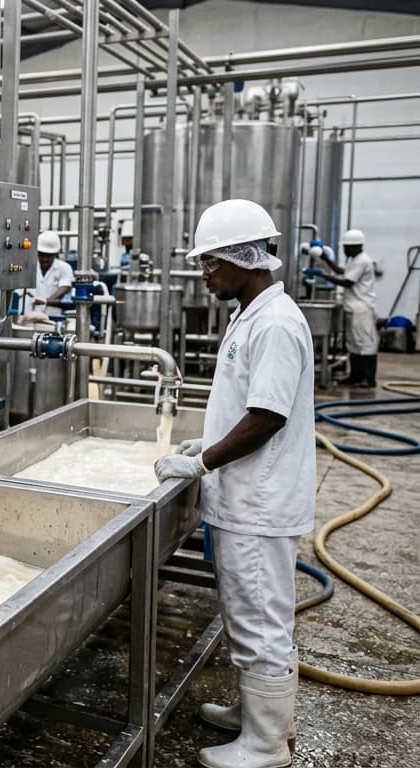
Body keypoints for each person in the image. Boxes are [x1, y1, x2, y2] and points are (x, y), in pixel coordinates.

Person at [154, 199, 314, 768]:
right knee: (249, 614)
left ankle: (266, 745)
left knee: (260, 619)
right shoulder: (250, 314)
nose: (204, 274)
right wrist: (206, 440)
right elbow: (247, 404)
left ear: (244, 258)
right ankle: (257, 715)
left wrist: (203, 462)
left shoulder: (274, 324)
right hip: (245, 496)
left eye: (211, 262)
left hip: (259, 503)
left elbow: (267, 417)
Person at [323, 228, 379, 388]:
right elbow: (342, 272)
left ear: (356, 246)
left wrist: (324, 276)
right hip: (353, 308)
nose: (345, 250)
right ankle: (355, 376)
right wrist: (324, 258)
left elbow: (348, 282)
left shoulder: (362, 261)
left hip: (362, 309)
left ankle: (368, 378)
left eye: (347, 247)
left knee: (365, 343)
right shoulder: (354, 260)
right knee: (353, 343)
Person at [29, 230, 73, 320]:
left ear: (55, 254)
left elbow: (64, 288)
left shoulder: (64, 267)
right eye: (41, 255)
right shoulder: (29, 266)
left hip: (54, 317)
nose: (44, 259)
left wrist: (45, 301)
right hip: (30, 316)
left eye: (48, 256)